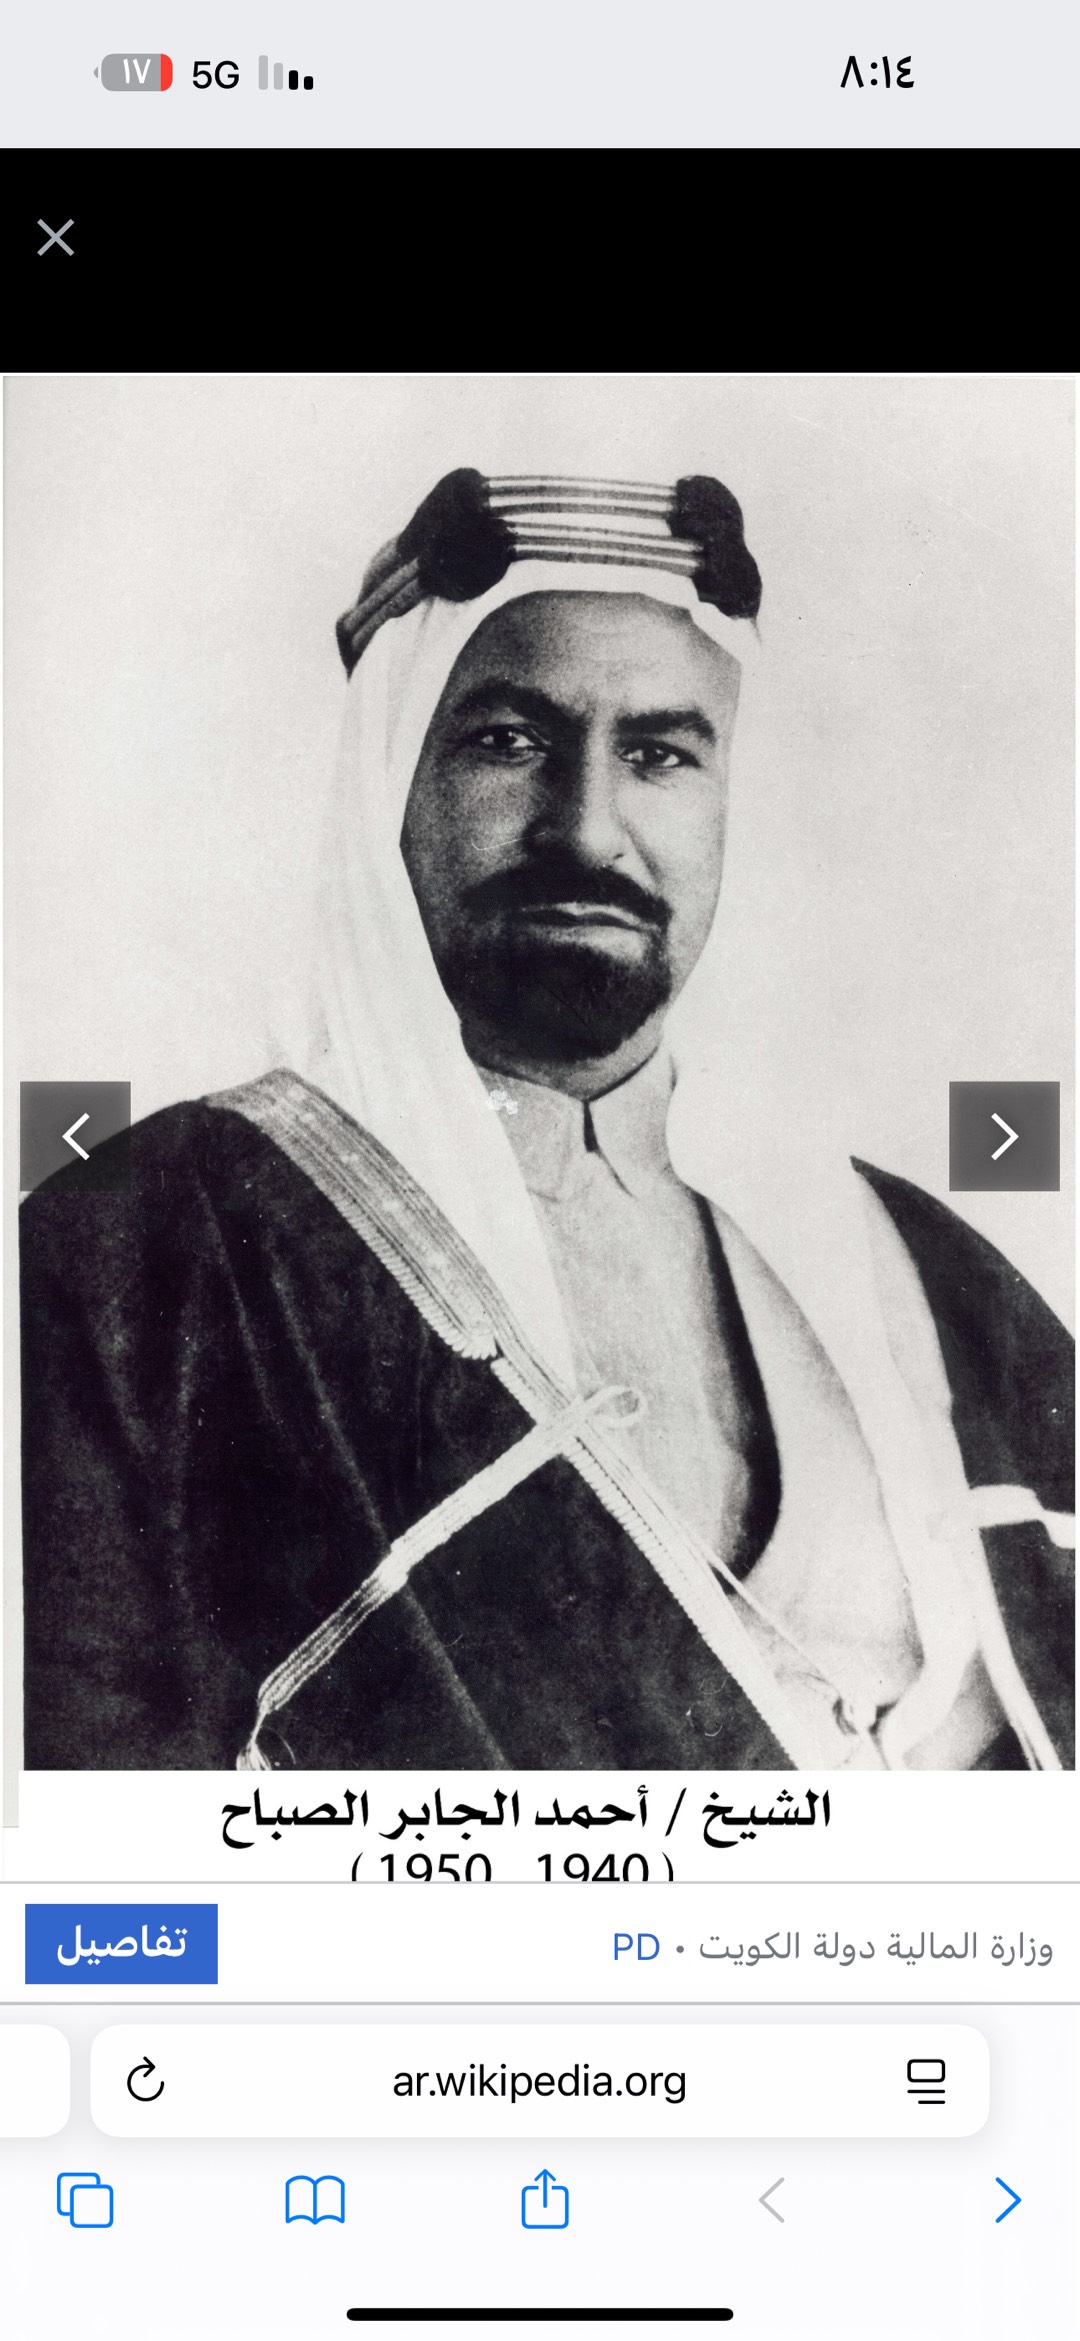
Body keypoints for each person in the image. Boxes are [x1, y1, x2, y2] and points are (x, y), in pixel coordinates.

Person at [20, 469, 1074, 1772]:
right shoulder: (147, 1260)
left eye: (660, 754)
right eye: (509, 741)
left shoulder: (925, 1278)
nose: (587, 828)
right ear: (389, 784)